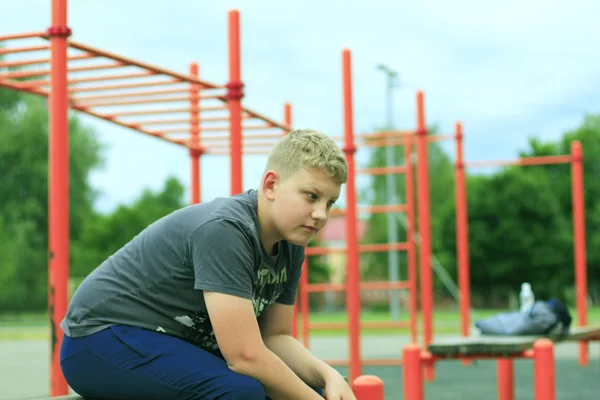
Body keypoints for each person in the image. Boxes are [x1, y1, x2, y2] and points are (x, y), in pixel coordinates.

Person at [59, 129, 357, 400]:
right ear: (271, 185)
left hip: (169, 343)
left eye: (330, 203)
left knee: (309, 389)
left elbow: (274, 336)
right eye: (311, 196)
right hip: (100, 339)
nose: (321, 214)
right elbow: (245, 357)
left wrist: (327, 376)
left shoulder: (291, 244)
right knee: (241, 394)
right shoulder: (226, 231)